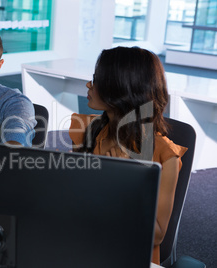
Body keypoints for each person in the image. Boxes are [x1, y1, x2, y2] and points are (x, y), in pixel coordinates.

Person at [68, 46, 187, 265]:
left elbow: (157, 235)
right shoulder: (87, 130)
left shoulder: (164, 155)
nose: (88, 85)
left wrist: (123, 183)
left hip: (127, 256)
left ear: (120, 89)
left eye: (96, 80)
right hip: (83, 244)